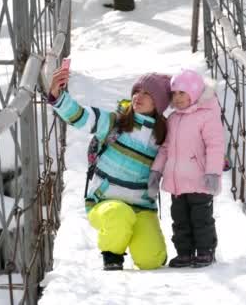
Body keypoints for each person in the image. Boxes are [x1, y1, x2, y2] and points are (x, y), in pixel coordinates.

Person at [48, 65, 171, 271]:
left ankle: (136, 235)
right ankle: (112, 254)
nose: (138, 97)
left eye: (147, 94)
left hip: (142, 207)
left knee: (151, 260)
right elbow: (82, 117)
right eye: (136, 91)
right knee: (119, 214)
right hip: (105, 203)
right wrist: (57, 96)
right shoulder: (116, 122)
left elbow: (186, 146)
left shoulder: (163, 135)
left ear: (158, 103)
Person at [149, 69, 224, 268]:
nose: (177, 98)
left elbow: (215, 146)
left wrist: (213, 173)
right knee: (180, 219)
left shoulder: (207, 116)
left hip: (200, 180)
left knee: (201, 219)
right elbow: (165, 148)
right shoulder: (173, 119)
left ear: (195, 92)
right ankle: (184, 252)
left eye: (182, 93)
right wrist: (156, 172)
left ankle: (205, 250)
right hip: (177, 182)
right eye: (174, 94)